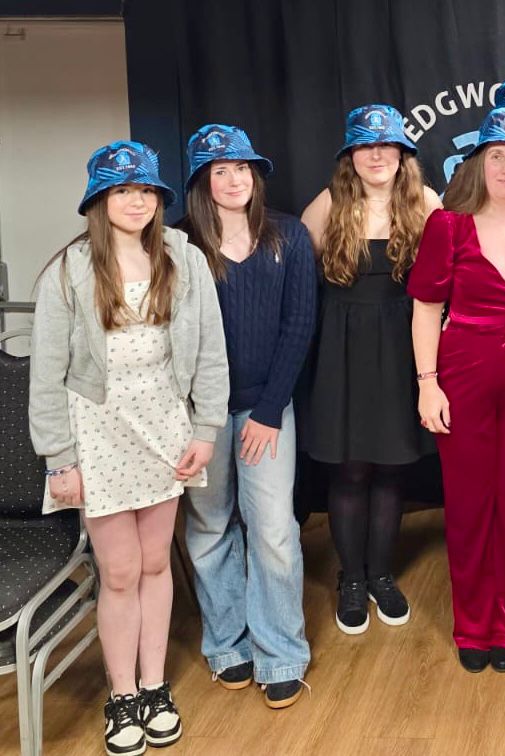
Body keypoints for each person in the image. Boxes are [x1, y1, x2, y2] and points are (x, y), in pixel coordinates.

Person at [30, 141, 228, 755]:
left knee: (153, 564)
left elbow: (211, 351)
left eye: (145, 190)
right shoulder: (69, 271)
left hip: (166, 428)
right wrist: (59, 459)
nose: (136, 200)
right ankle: (121, 696)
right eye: (122, 190)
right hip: (99, 436)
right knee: (117, 572)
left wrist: (205, 429)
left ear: (159, 200)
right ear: (99, 200)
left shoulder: (184, 259)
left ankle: (153, 685)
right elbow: (46, 373)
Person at [408, 107, 505, 673]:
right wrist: (428, 386)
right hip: (464, 368)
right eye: (495, 155)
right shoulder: (447, 224)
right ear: (477, 163)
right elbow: (426, 308)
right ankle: (472, 623)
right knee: (471, 502)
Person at [179, 124, 315, 709]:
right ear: (201, 184)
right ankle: (227, 644)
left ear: (255, 176)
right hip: (197, 418)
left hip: (266, 408)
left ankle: (280, 650)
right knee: (210, 529)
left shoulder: (290, 234)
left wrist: (267, 411)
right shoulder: (179, 245)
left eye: (242, 169)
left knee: (274, 531)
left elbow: (298, 325)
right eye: (219, 171)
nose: (234, 180)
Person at [300, 103, 441, 635]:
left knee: (390, 467)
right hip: (343, 350)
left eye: (386, 146)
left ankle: (381, 575)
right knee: (349, 469)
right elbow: (300, 266)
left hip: (402, 346)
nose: (377, 155)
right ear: (351, 156)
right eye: (366, 145)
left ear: (402, 153)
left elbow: (451, 273)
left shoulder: (425, 202)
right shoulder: (330, 203)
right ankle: (351, 578)